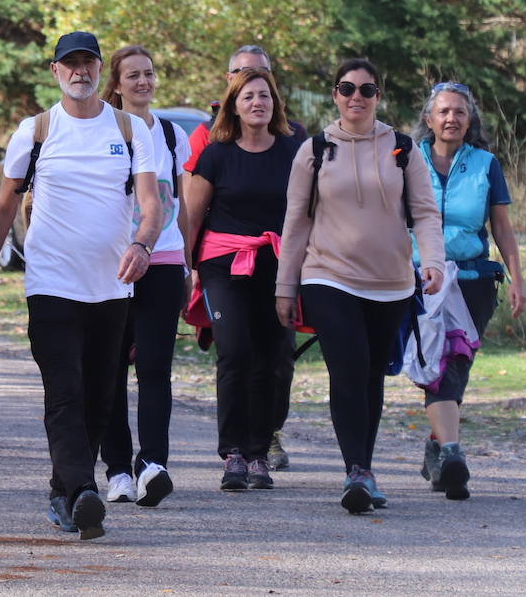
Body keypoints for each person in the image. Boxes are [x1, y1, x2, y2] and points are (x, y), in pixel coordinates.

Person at [0, 31, 160, 541]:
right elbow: (2, 211)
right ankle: (81, 490)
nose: (80, 72)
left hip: (112, 288)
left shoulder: (129, 128)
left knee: (99, 395)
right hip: (51, 284)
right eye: (69, 64)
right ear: (55, 71)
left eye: (88, 63)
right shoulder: (36, 131)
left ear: (101, 71)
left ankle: (64, 490)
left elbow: (151, 204)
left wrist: (142, 244)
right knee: (66, 391)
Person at [276, 59, 445, 513]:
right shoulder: (313, 150)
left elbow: (426, 214)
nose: (356, 96)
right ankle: (356, 470)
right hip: (327, 275)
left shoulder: (403, 149)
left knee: (371, 374)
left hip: (390, 282)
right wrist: (285, 287)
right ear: (335, 94)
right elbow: (295, 222)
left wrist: (432, 262)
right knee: (347, 368)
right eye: (347, 88)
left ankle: (364, 470)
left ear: (377, 96)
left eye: (366, 89)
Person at [183, 43, 302, 471]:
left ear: (275, 103)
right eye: (248, 95)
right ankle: (233, 451)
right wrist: (187, 271)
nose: (257, 102)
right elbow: (192, 218)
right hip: (223, 265)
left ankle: (258, 452)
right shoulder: (216, 153)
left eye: (265, 95)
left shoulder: (295, 149)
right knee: (234, 352)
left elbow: (312, 210)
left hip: (279, 264)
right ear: (233, 103)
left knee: (274, 358)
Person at [410, 81, 524, 500]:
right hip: (420, 280)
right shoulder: (407, 159)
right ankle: (453, 454)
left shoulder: (485, 164)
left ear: (469, 119)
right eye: (443, 111)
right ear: (428, 119)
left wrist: (517, 279)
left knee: (456, 363)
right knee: (438, 363)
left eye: (459, 111)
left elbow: (502, 229)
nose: (451, 118)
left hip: (473, 280)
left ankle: (437, 448)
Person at [97, 46, 191, 507]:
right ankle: (115, 468)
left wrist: (189, 262)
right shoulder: (102, 131)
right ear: (115, 83)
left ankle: (153, 464)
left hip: (165, 261)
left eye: (149, 74)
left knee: (155, 367)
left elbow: (183, 204)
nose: (143, 82)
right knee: (110, 370)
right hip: (112, 266)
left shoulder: (172, 135)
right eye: (132, 75)